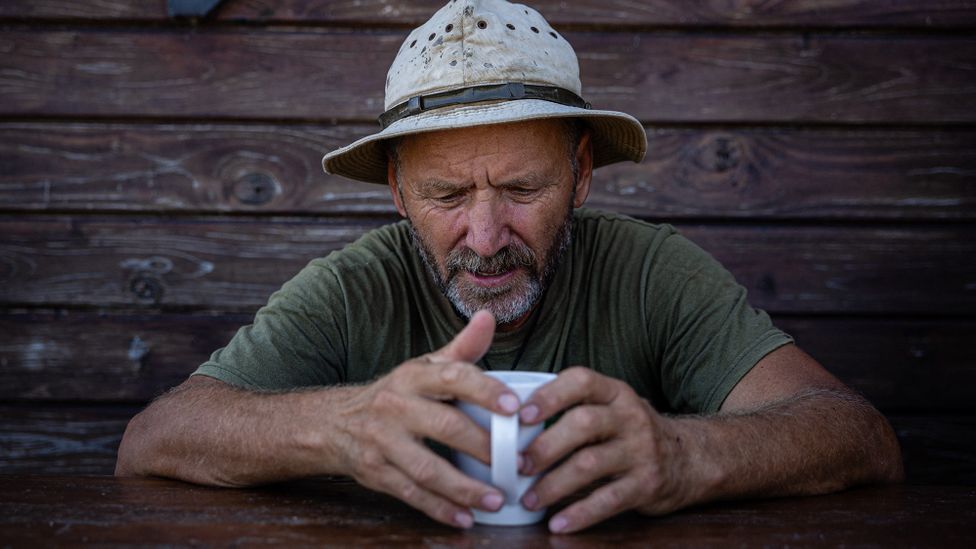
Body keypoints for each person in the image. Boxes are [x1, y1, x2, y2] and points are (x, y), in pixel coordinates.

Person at [115, 0, 903, 534]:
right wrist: (341, 427)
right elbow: (153, 440)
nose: (485, 236)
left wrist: (686, 454)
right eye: (446, 193)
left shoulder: (649, 271)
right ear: (396, 191)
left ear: (582, 176)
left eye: (523, 188)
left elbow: (859, 436)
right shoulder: (357, 286)